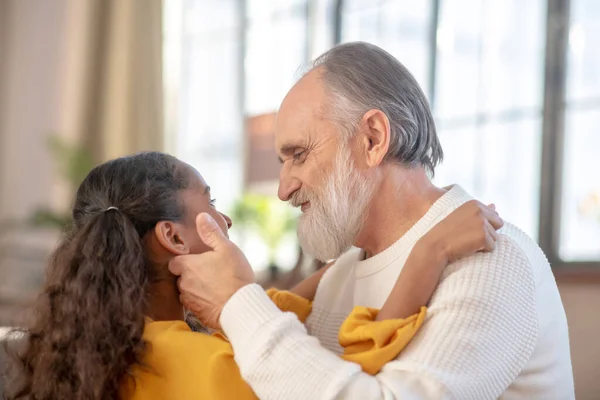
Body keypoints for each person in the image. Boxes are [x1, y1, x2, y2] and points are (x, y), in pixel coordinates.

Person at [170, 42, 575, 400]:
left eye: (299, 154)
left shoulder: (491, 262)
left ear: (373, 139)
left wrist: (236, 302)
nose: (282, 190)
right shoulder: (343, 272)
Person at [2, 152, 502, 400]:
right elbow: (348, 381)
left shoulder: (85, 351)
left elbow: (275, 308)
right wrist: (428, 252)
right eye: (212, 202)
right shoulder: (215, 366)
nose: (226, 221)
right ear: (174, 239)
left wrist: (350, 249)